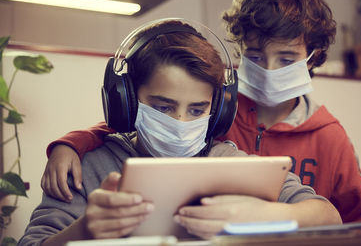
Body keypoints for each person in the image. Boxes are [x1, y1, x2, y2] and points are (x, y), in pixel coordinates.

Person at [41, 0, 361, 223]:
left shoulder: (326, 136)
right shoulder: (222, 118)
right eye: (256, 56)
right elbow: (128, 131)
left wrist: (267, 214)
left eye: (286, 59)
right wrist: (73, 143)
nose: (181, 125)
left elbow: (351, 219)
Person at [19, 19, 341, 246]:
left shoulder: (230, 162)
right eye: (163, 107)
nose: (181, 122)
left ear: (217, 112)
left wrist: (264, 213)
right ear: (127, 102)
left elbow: (329, 218)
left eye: (197, 110)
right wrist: (85, 230)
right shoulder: (85, 168)